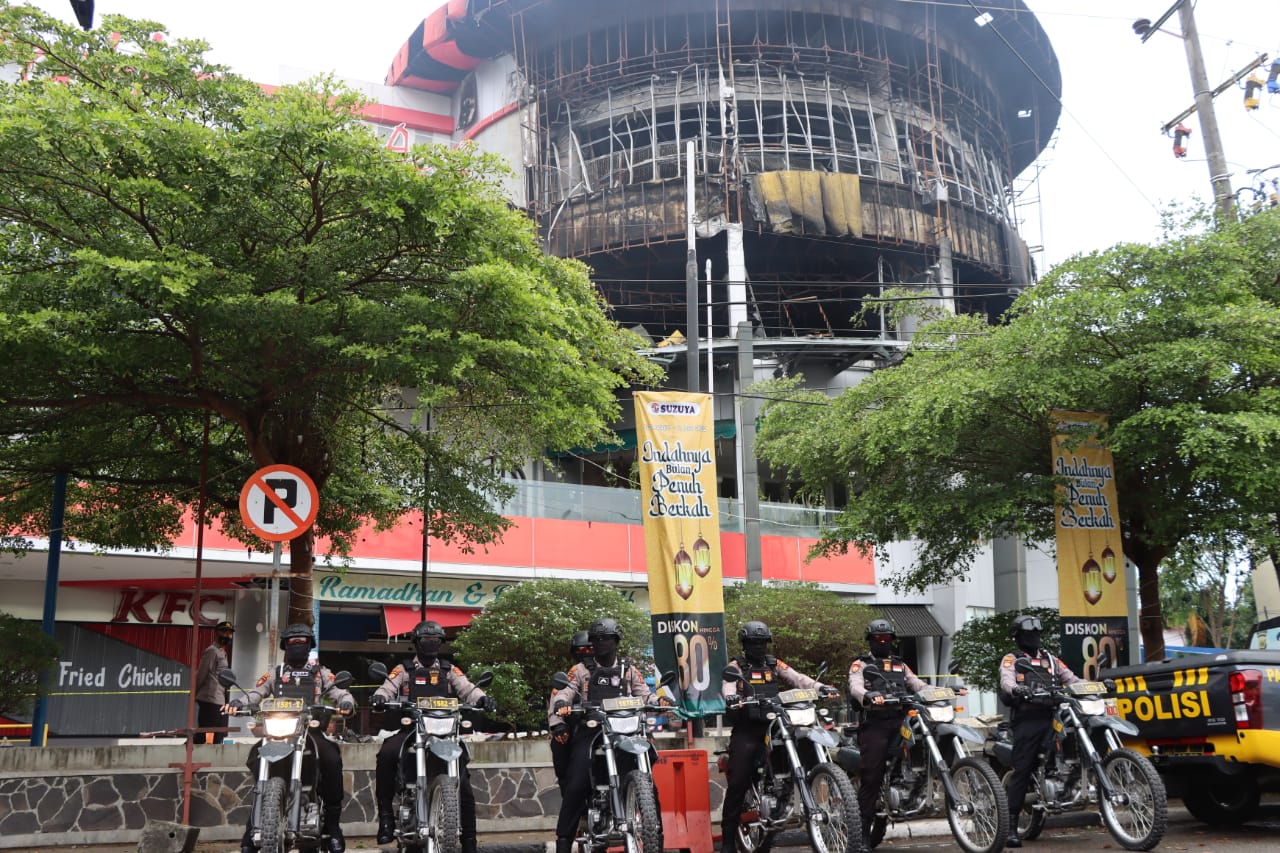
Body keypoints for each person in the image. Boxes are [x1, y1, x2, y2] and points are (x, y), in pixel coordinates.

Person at [226, 623, 354, 853]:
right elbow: (257, 693)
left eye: (301, 642)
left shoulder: (321, 673)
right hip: (278, 732)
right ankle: (251, 830)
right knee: (255, 755)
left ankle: (332, 828)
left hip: (310, 731)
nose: (296, 646)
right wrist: (239, 702)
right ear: (285, 646)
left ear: (309, 646)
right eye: (292, 642)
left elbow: (339, 692)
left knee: (332, 758)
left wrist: (346, 702)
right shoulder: (275, 673)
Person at [370, 620, 496, 852]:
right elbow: (387, 687)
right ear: (417, 643)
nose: (431, 644)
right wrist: (380, 698)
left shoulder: (449, 670)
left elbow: (468, 689)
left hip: (444, 734)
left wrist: (482, 699)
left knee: (465, 785)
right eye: (426, 640)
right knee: (386, 755)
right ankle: (386, 819)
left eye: (435, 640)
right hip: (412, 729)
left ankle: (469, 840)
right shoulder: (404, 669)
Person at [720, 620, 838, 853]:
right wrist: (732, 698)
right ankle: (727, 841)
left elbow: (798, 678)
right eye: (754, 642)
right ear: (745, 644)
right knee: (738, 779)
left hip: (777, 725)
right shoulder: (736, 666)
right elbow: (728, 686)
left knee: (804, 744)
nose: (759, 647)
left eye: (762, 642)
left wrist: (820, 687)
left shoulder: (774, 664)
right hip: (748, 729)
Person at [549, 616, 665, 853]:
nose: (602, 643)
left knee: (649, 784)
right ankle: (564, 841)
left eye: (608, 639)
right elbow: (565, 691)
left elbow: (644, 694)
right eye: (598, 639)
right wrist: (562, 704)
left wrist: (658, 701)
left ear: (616, 641)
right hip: (591, 732)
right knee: (577, 782)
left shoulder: (628, 670)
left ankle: (656, 837)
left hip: (625, 732)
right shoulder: (580, 670)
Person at [998, 614, 1081, 849]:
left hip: (1053, 715)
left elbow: (1071, 679)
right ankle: (1011, 826)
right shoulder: (1012, 659)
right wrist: (1017, 689)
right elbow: (1006, 681)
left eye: (1037, 632)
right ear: (1019, 636)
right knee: (1023, 769)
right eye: (1028, 633)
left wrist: (1095, 685)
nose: (1034, 636)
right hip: (1028, 720)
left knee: (1075, 739)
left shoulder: (1050, 659)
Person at [847, 618, 928, 845]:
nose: (882, 642)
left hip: (900, 721)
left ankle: (910, 790)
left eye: (886, 639)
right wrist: (868, 695)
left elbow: (917, 684)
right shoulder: (861, 664)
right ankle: (862, 834)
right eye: (877, 639)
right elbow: (855, 686)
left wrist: (941, 691)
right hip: (875, 725)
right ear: (870, 641)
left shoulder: (900, 665)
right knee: (872, 775)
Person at [550, 630, 594, 792]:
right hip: (579, 725)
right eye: (580, 650)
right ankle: (568, 791)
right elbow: (560, 695)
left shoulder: (621, 668)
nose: (585, 654)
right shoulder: (575, 672)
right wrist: (558, 725)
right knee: (560, 745)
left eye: (589, 649)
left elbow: (637, 694)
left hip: (611, 725)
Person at [194, 619, 234, 744]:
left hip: (220, 698)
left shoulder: (222, 652)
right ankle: (186, 753)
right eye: (224, 632)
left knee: (219, 732)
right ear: (216, 633)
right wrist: (195, 692)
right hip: (209, 698)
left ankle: (213, 757)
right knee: (205, 732)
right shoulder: (211, 651)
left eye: (229, 633)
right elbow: (202, 673)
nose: (227, 635)